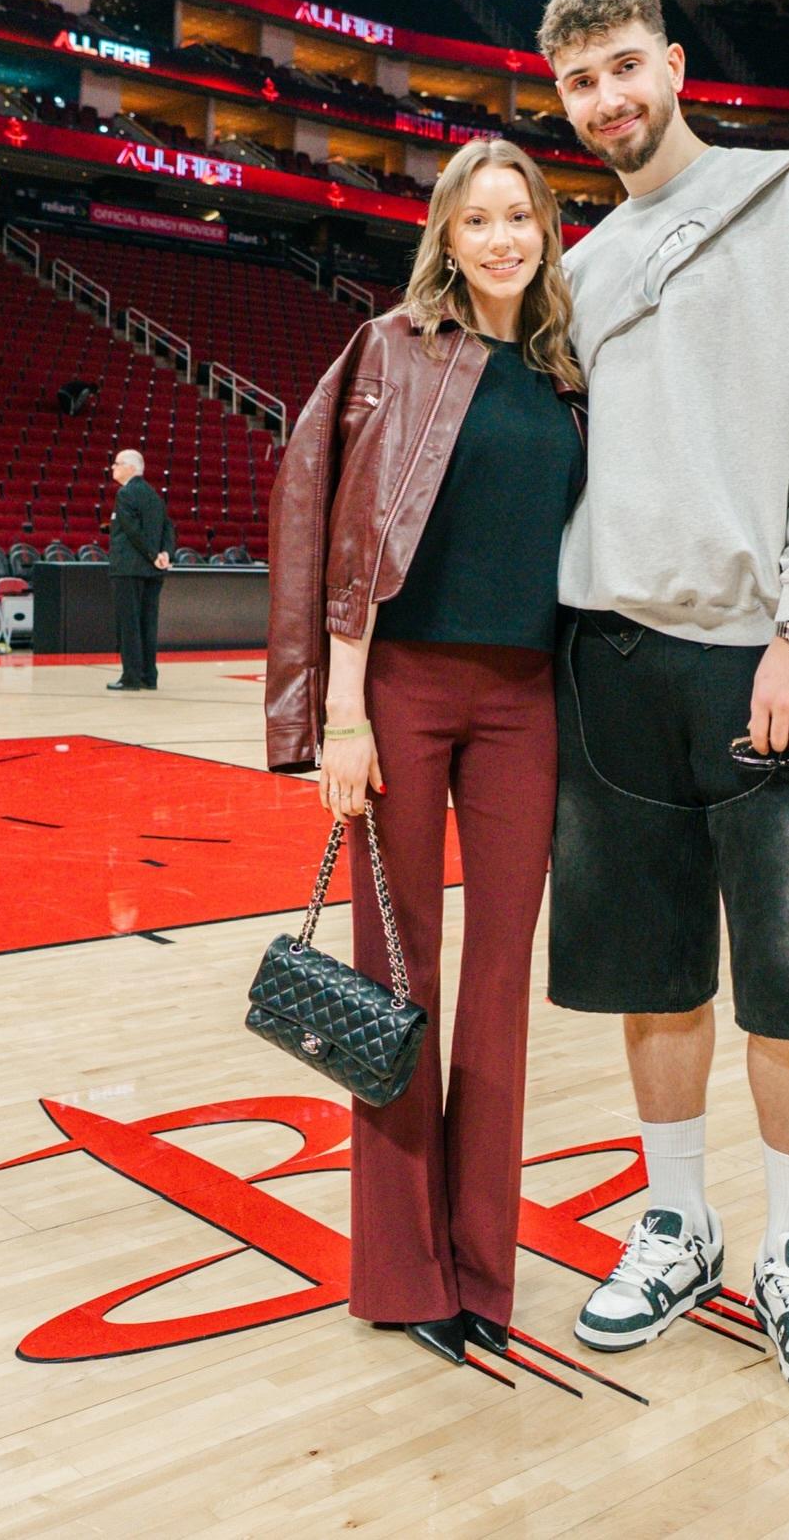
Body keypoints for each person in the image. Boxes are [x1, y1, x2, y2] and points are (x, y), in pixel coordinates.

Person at [537, 0, 789, 1405]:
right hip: (613, 657)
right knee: (654, 971)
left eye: (626, 66)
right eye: (580, 82)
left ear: (676, 63)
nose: (608, 99)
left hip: (773, 651)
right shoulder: (579, 270)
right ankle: (678, 1222)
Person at [263, 139, 585, 1369]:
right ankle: (404, 1272)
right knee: (397, 979)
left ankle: (482, 1267)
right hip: (401, 689)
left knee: (499, 980)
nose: (502, 238)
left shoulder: (566, 372)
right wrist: (342, 716)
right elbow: (350, 535)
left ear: (546, 231)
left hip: (525, 697)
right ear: (446, 235)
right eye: (479, 219)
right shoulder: (394, 349)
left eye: (521, 217)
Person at [107, 449, 174, 691]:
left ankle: (131, 677)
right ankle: (149, 675)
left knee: (130, 624)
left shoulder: (126, 494)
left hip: (129, 569)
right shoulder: (153, 495)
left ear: (131, 468)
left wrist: (153, 554)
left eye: (117, 463)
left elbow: (133, 531)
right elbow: (168, 527)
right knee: (148, 623)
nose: (113, 467)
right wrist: (165, 553)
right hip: (152, 571)